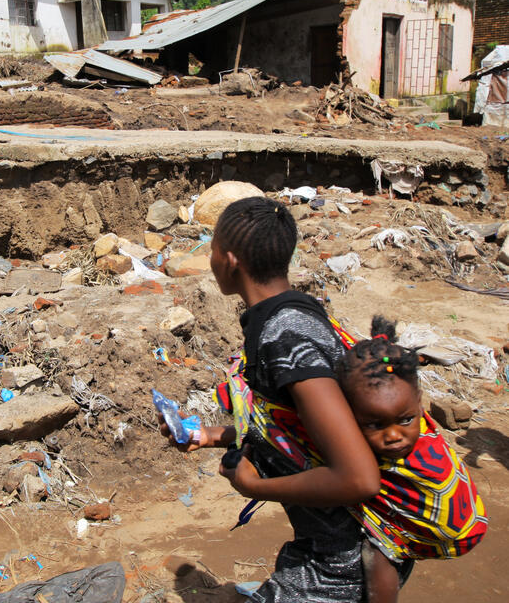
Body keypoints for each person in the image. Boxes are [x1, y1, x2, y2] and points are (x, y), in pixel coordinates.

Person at [162, 196, 383, 602]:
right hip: (328, 548)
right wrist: (212, 435)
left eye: (210, 250)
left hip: (342, 561)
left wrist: (255, 486)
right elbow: (303, 430)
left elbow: (359, 478)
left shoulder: (285, 337)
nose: (210, 261)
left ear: (230, 260)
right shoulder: (292, 315)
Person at [337, 317, 487, 603]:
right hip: (456, 523)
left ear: (419, 402)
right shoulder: (403, 406)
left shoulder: (417, 442)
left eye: (405, 419)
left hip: (457, 524)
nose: (394, 436)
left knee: (379, 550)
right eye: (374, 425)